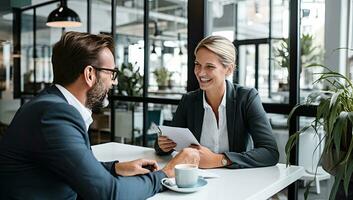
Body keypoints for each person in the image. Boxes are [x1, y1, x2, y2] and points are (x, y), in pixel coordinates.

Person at [0, 31, 200, 200]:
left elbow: (71, 165)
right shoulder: (56, 115)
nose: (114, 82)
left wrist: (116, 168)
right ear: (89, 74)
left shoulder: (49, 103)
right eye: (111, 73)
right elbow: (107, 193)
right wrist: (165, 175)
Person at [155, 35, 279, 169]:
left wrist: (220, 160)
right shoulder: (189, 101)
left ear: (229, 69)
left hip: (237, 179)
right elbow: (166, 143)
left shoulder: (247, 98)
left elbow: (270, 152)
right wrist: (162, 145)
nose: (201, 73)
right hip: (196, 178)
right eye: (198, 64)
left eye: (209, 66)